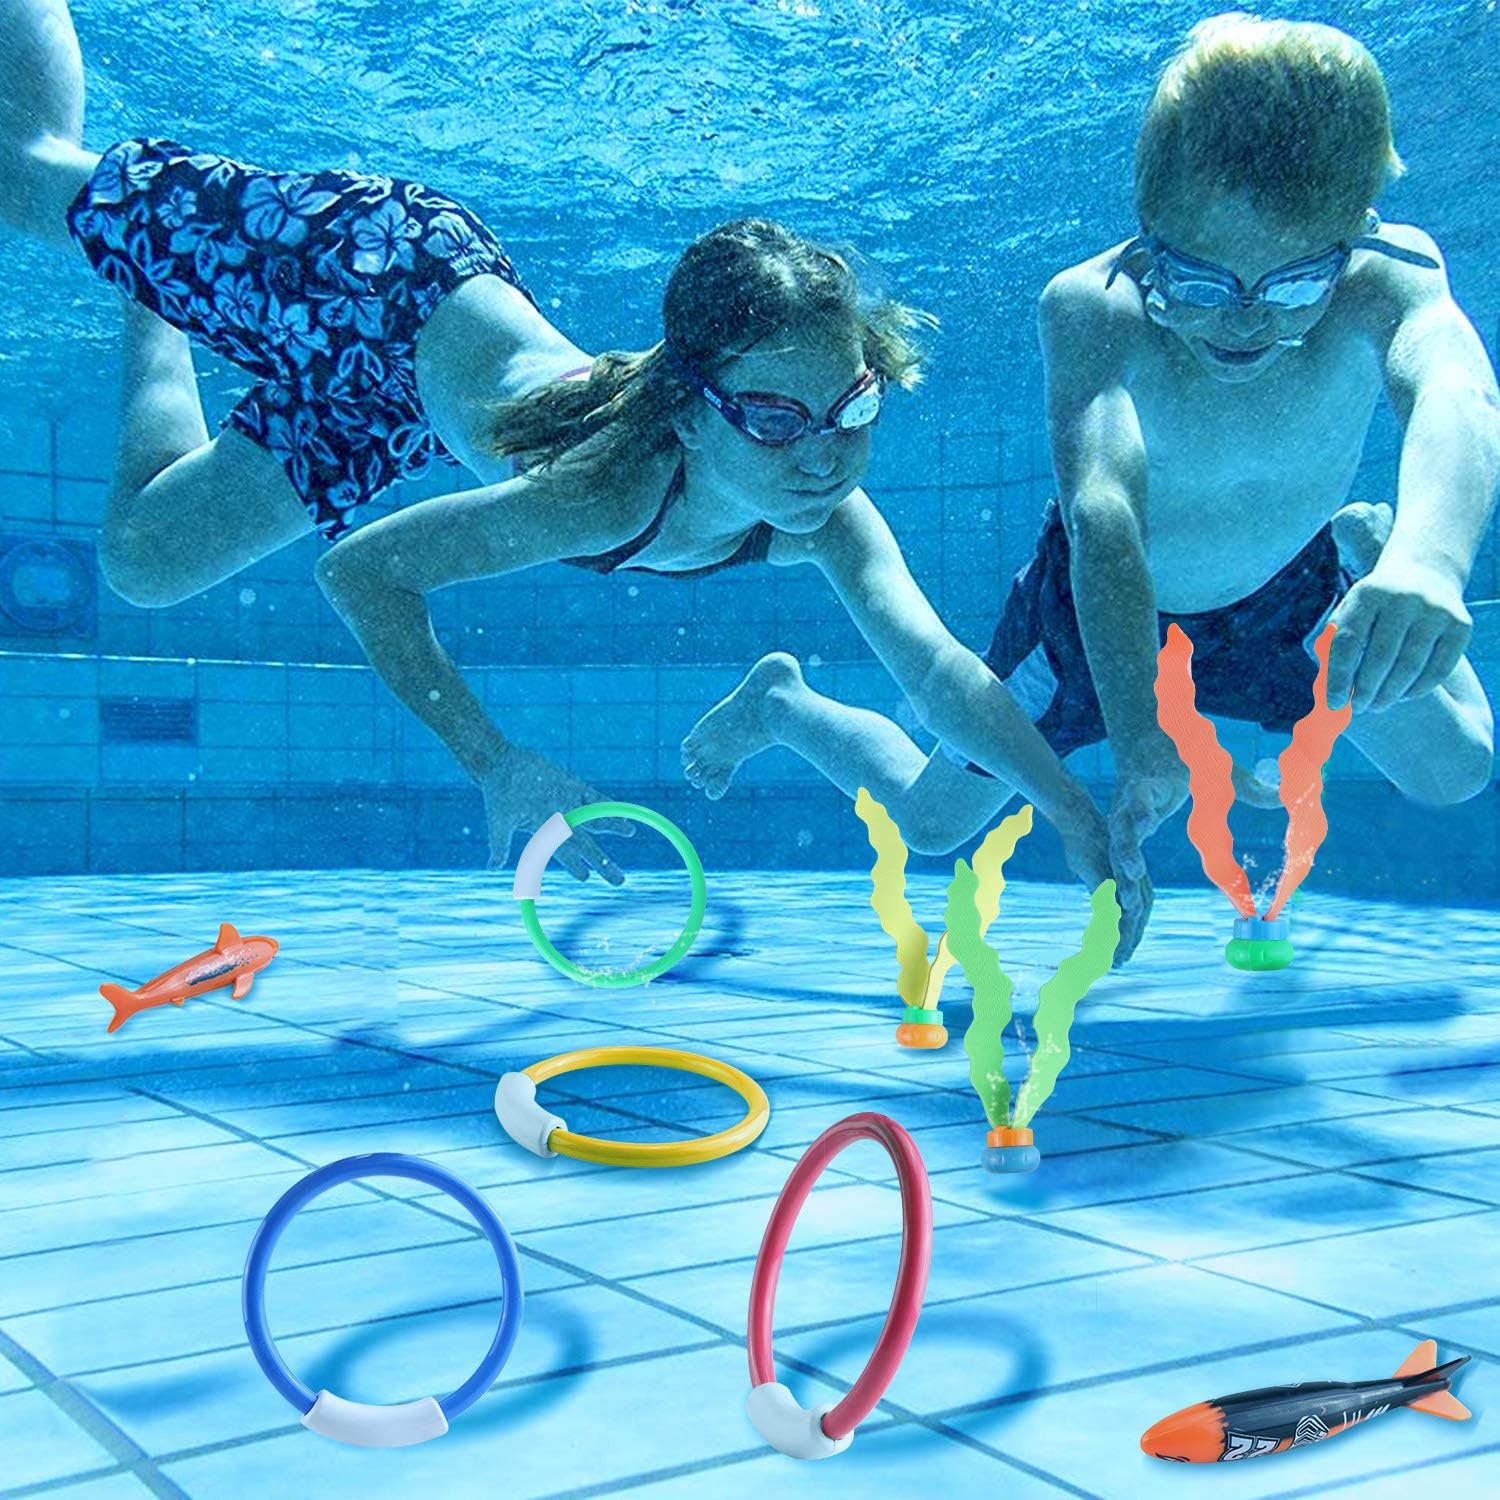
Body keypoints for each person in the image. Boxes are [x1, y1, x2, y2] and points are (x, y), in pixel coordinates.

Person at [0, 0, 1146, 947]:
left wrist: (1073, 812)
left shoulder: (829, 512)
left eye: (853, 408)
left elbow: (939, 672)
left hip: (398, 402)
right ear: (690, 413)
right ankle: (127, 231)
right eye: (774, 418)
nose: (822, 452)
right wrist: (495, 763)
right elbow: (362, 573)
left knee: (144, 561)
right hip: (369, 274)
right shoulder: (605, 491)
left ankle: (149, 289)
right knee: (26, 173)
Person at [690, 10, 1497, 926]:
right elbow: (1104, 517)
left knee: (1458, 770)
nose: (1243, 320)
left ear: (1356, 234)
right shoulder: (1096, 309)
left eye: (1294, 284)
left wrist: (1429, 563)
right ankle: (783, 704)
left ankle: (1377, 560)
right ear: (1148, 233)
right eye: (1199, 282)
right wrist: (1139, 728)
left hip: (1288, 587)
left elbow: (1455, 387)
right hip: (1095, 617)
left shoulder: (1388, 278)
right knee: (931, 821)